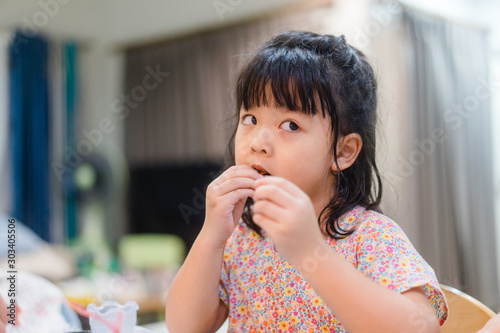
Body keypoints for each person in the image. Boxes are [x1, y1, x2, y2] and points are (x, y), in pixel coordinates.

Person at [165, 30, 448, 332]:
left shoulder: (368, 237)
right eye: (250, 119)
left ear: (343, 151)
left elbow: (421, 327)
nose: (258, 142)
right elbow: (185, 327)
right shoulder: (244, 236)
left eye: (290, 124)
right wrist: (212, 235)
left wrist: (308, 250)